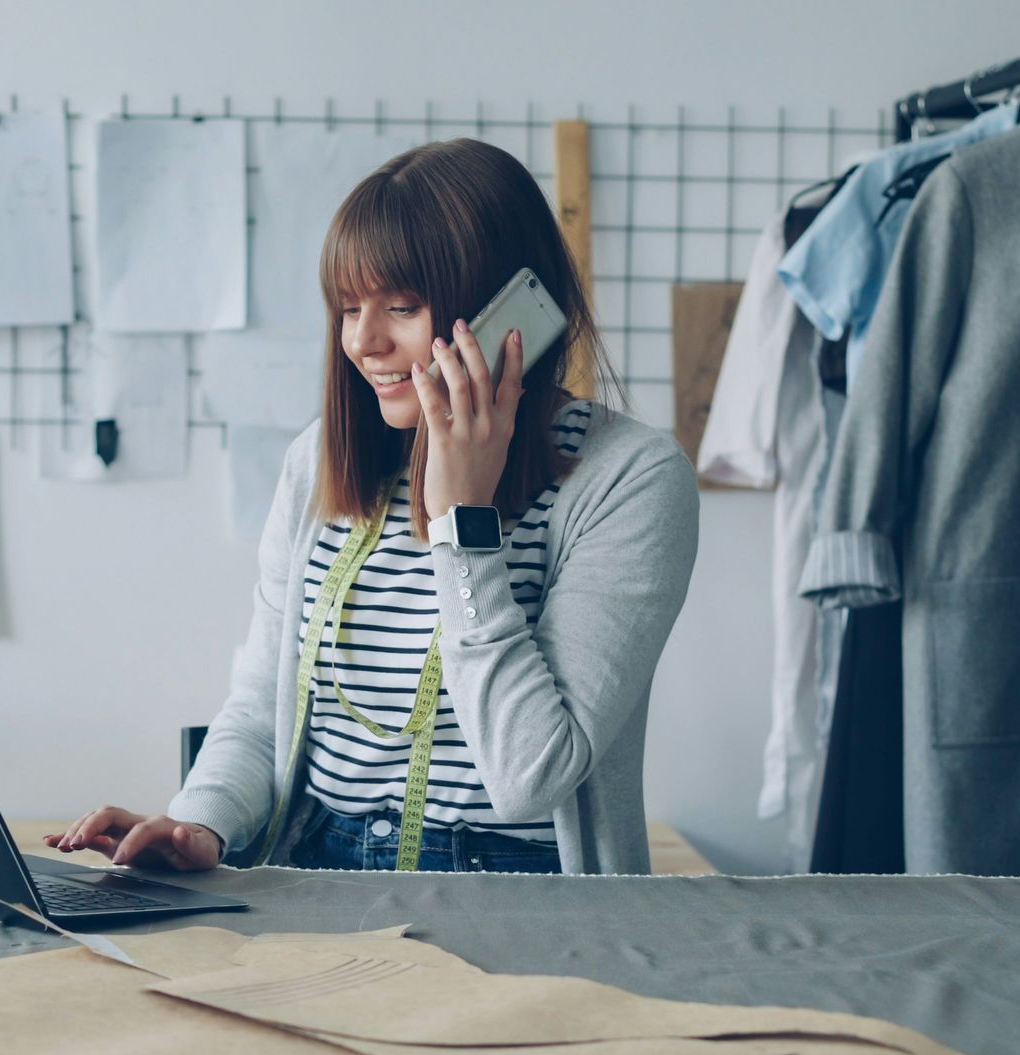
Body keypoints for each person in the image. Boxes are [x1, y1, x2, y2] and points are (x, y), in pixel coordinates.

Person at [52, 138, 698, 875]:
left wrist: (463, 520)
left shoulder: (632, 480)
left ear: (511, 313)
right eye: (348, 308)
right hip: (315, 868)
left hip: (521, 893)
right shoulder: (319, 462)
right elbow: (263, 703)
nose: (363, 341)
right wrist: (199, 823)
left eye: (402, 306)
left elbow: (531, 778)